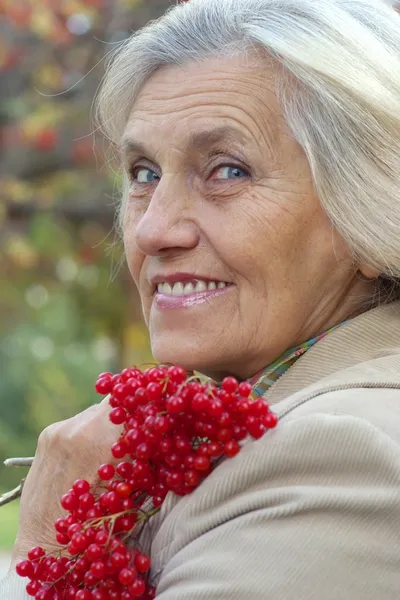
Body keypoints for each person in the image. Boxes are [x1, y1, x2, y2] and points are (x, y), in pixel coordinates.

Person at [2, 0, 400, 597]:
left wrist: (46, 544)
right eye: (143, 173)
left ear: (370, 213)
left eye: (227, 171)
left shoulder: (341, 451)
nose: (152, 230)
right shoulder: (255, 420)